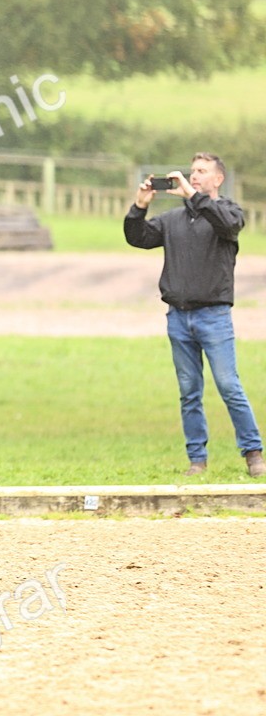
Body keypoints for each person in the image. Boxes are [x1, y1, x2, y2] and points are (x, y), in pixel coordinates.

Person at [124, 152, 265, 477]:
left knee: (229, 386)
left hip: (213, 316)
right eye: (192, 171)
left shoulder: (228, 213)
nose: (195, 175)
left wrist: (193, 196)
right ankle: (197, 460)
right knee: (189, 392)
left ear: (218, 179)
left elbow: (228, 225)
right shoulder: (173, 221)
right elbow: (137, 237)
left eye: (202, 171)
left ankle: (253, 453)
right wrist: (140, 206)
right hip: (178, 318)